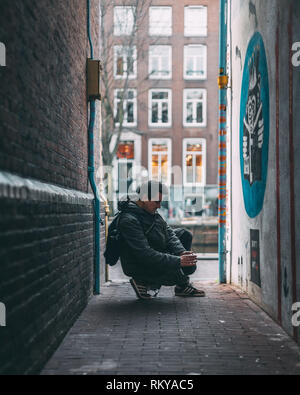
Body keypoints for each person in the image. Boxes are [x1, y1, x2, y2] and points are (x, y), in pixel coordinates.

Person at [117, 180, 206, 300]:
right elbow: (144, 254)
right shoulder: (128, 220)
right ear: (143, 198)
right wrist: (178, 261)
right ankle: (142, 280)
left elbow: (169, 233)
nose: (159, 206)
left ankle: (181, 286)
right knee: (177, 272)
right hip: (139, 265)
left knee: (184, 234)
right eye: (156, 202)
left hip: (153, 252)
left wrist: (181, 252)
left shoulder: (150, 211)